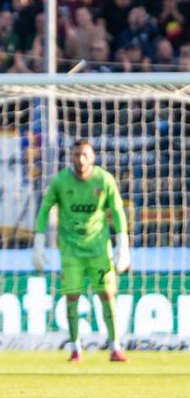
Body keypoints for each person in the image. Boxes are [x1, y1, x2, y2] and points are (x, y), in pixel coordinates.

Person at [33, 140, 130, 363]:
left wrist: (123, 244)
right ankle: (75, 347)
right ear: (71, 156)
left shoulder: (103, 179)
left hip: (98, 250)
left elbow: (117, 210)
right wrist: (38, 242)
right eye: (77, 154)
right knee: (72, 296)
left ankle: (115, 346)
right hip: (71, 250)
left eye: (85, 155)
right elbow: (45, 208)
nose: (81, 159)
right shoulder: (60, 181)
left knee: (107, 295)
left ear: (93, 156)